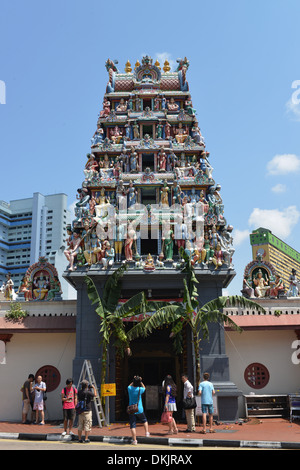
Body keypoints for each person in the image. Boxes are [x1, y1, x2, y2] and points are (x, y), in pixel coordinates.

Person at [127, 376, 150, 445]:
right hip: (139, 409)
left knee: (133, 425)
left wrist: (134, 380)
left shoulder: (129, 388)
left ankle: (134, 440)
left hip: (132, 409)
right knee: (144, 420)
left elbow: (129, 385)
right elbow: (144, 388)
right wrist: (140, 381)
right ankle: (146, 433)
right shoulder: (140, 389)